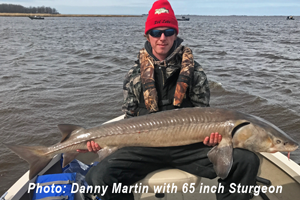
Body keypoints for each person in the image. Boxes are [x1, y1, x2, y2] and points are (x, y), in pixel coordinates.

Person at [80, 1, 260, 199]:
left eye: (168, 31)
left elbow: (206, 114)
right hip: (144, 146)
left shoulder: (196, 72)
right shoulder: (134, 74)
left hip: (188, 146)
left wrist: (213, 138)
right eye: (156, 32)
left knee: (247, 160)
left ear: (176, 34)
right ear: (148, 35)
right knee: (98, 177)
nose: (162, 38)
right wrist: (104, 144)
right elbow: (129, 116)